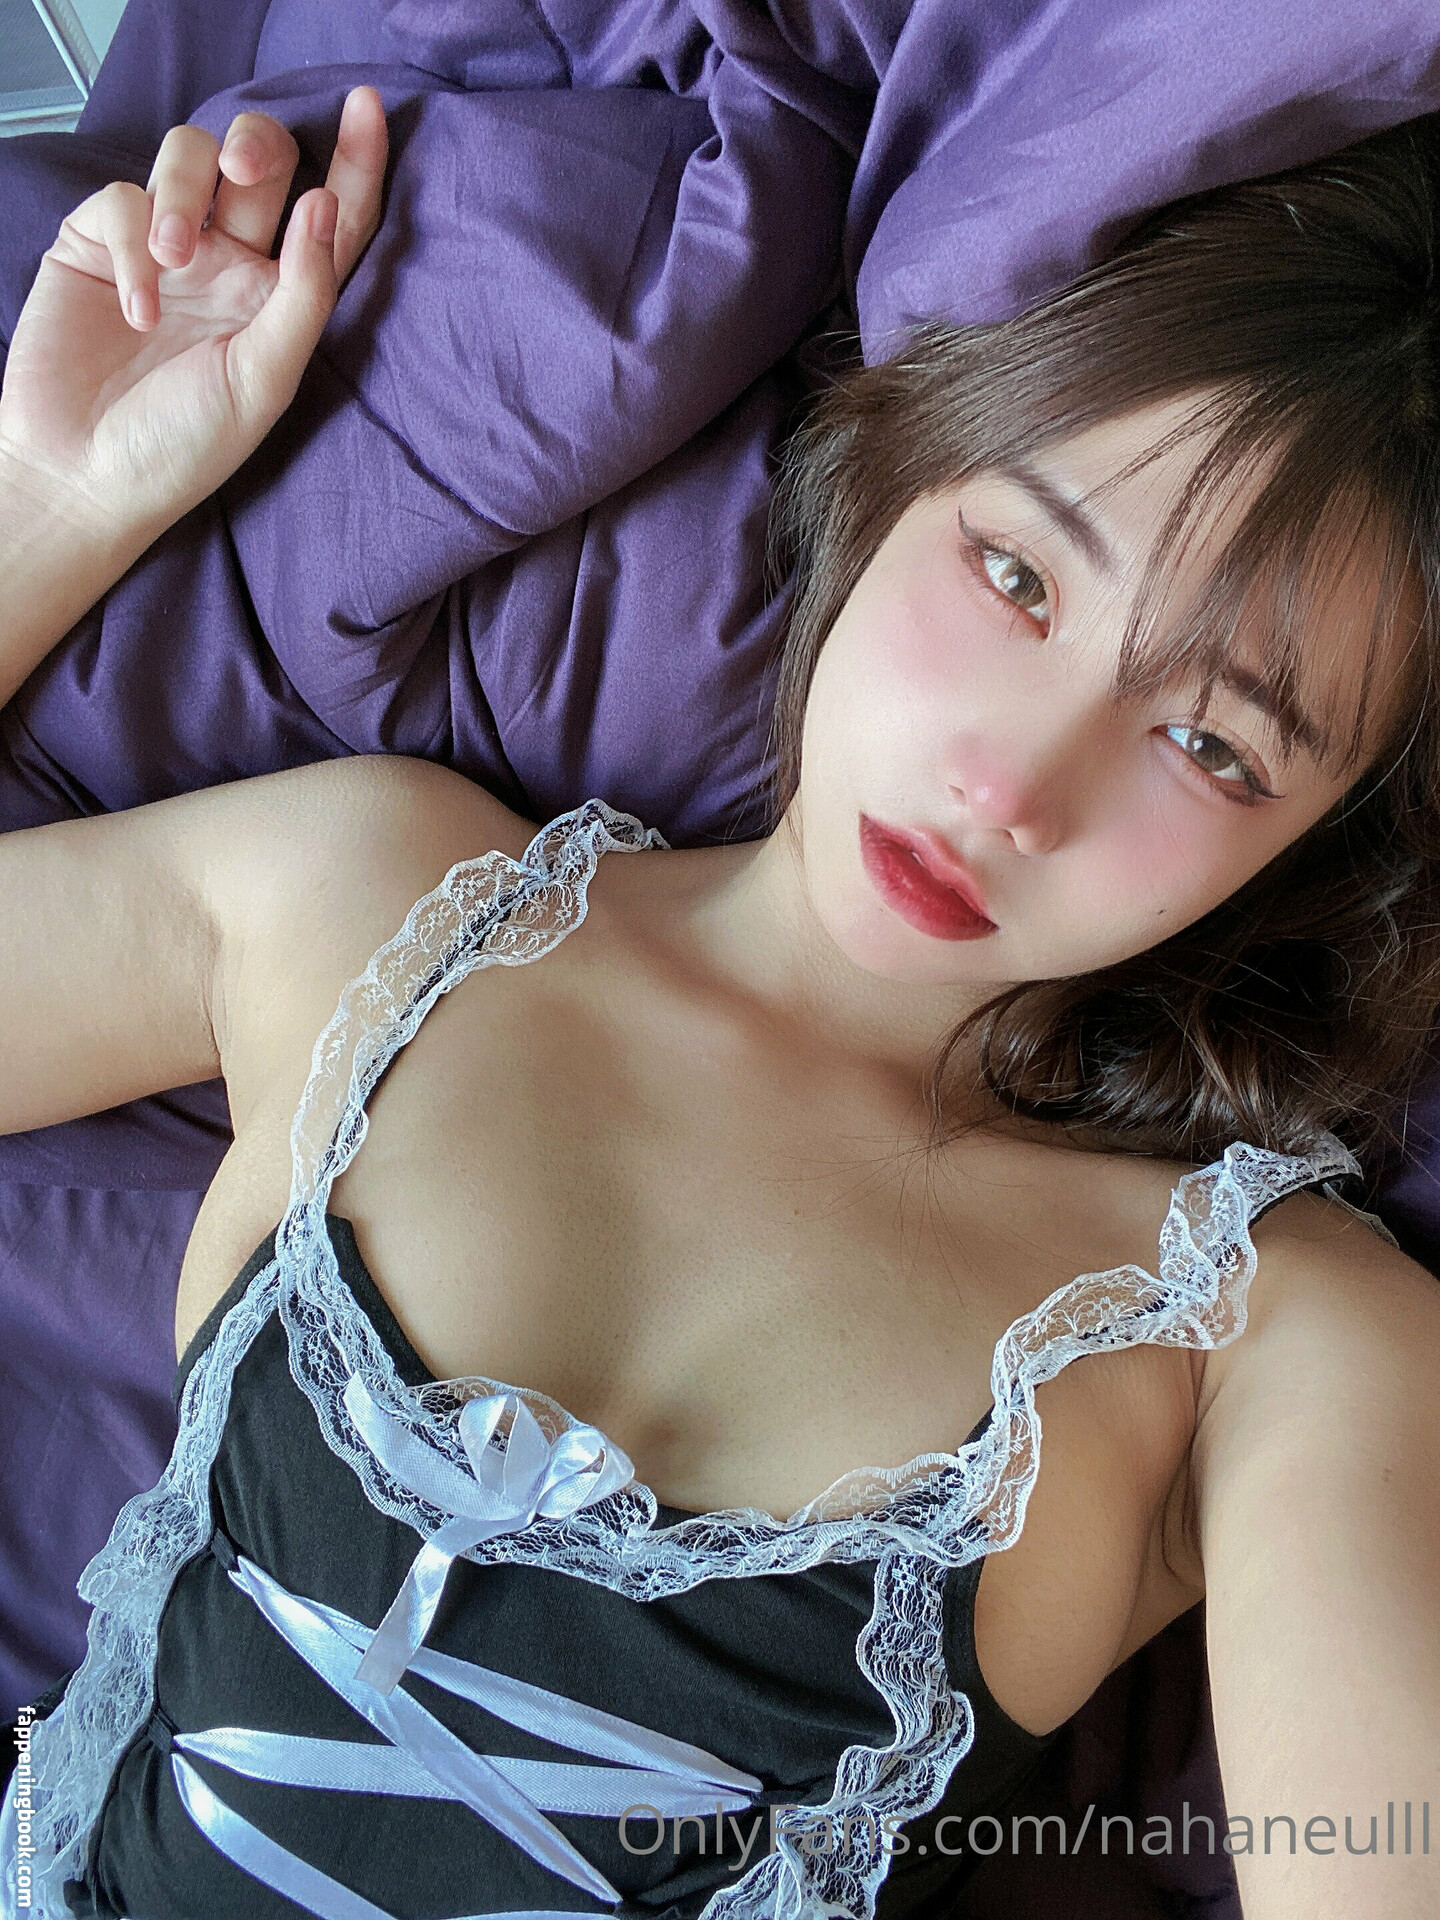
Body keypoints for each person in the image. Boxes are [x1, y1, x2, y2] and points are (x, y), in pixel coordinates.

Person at [0, 82, 1437, 1920]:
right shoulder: (362, 894)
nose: (1010, 785)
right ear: (893, 476)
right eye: (1016, 575)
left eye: (1214, 745)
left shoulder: (1274, 1337)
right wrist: (54, 499)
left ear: (1315, 846)